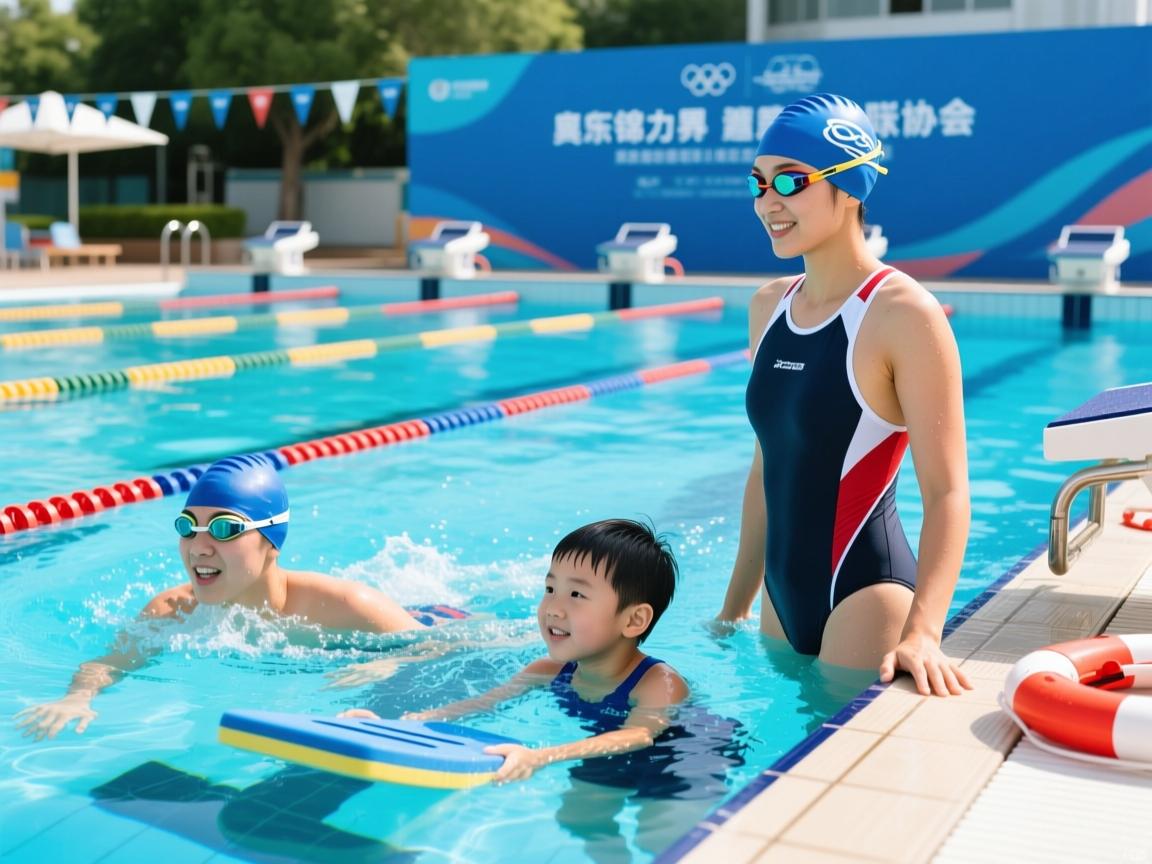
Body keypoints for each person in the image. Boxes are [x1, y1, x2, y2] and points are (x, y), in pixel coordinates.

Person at [716, 93, 973, 698]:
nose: (769, 202)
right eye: (758, 183)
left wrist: (924, 633)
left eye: (790, 180)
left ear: (851, 185)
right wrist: (733, 609)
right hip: (779, 600)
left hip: (865, 594)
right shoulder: (768, 307)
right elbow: (767, 465)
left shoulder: (904, 314)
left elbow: (948, 492)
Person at [342, 519, 744, 858]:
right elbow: (482, 704)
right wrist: (397, 725)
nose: (553, 606)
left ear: (634, 620)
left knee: (658, 836)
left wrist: (541, 756)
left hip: (687, 751)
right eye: (550, 588)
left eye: (576, 595)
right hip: (610, 745)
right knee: (579, 817)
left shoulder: (661, 684)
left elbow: (639, 735)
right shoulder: (550, 669)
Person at [17, 453, 454, 740]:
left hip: (437, 617)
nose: (199, 546)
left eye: (224, 528)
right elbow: (109, 662)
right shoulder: (172, 609)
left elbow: (445, 644)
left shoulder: (346, 605)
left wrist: (387, 660)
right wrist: (78, 697)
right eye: (188, 526)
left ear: (271, 543)